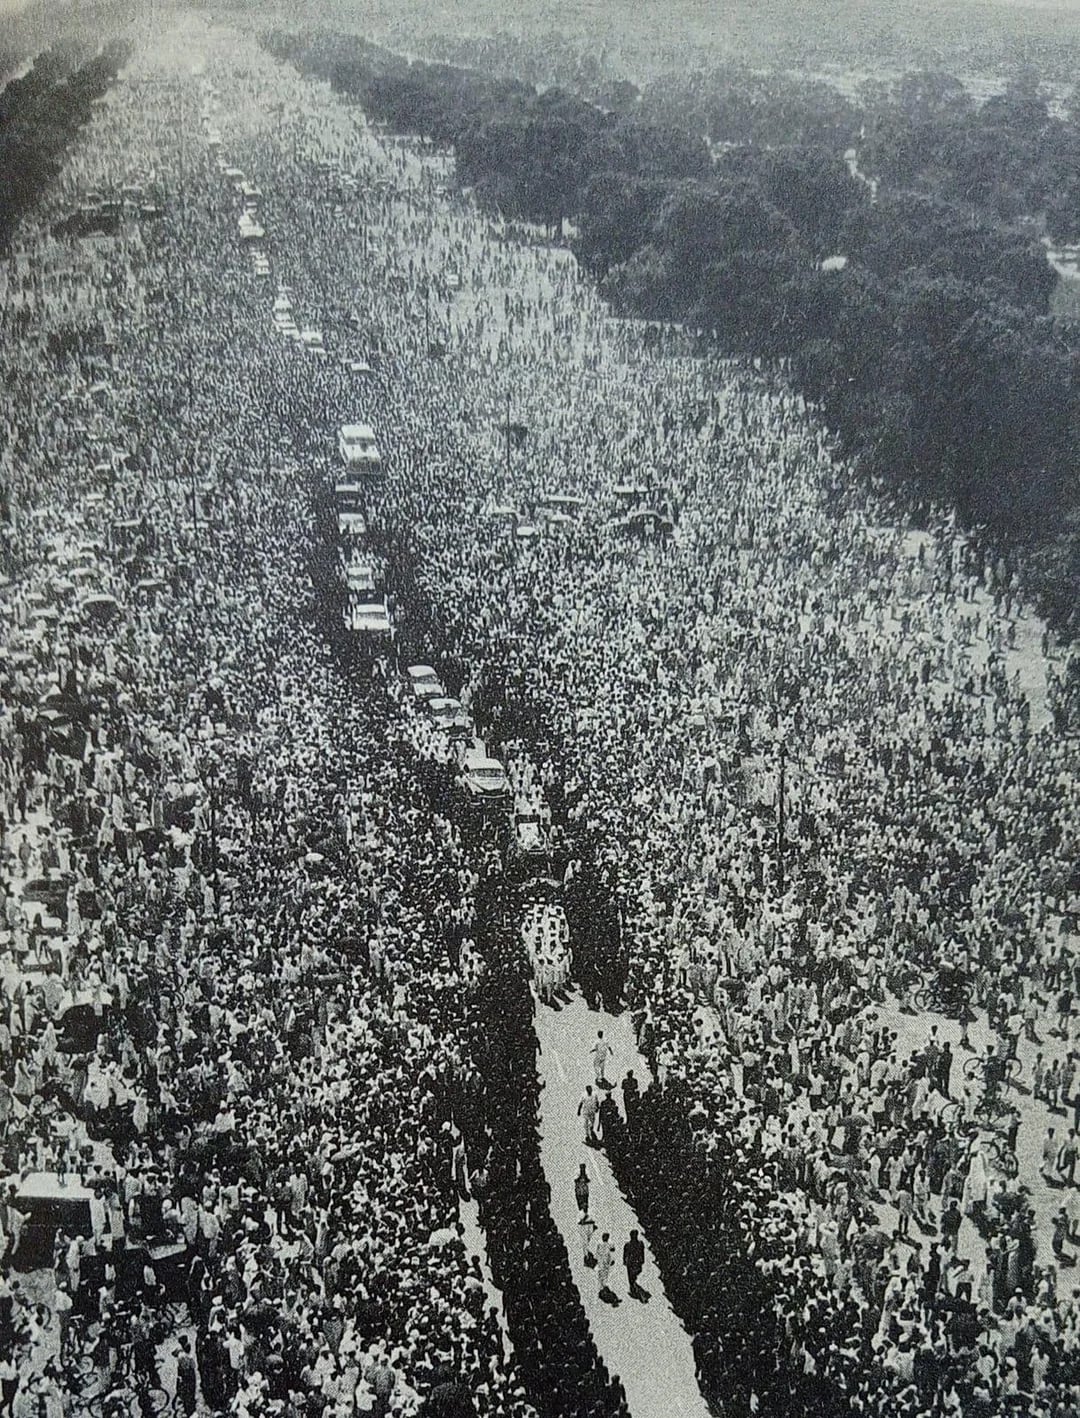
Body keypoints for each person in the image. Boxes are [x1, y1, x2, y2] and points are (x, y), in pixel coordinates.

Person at [623, 1230, 645, 1301]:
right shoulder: (640, 1244)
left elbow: (625, 1254)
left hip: (631, 1262)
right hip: (635, 1262)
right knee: (633, 1274)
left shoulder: (628, 1244)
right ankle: (633, 1285)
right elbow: (642, 1253)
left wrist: (624, 1260)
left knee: (631, 1275)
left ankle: (633, 1285)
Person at [596, 1233, 616, 1303]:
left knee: (606, 1273)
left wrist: (613, 1259)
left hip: (607, 1260)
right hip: (601, 1260)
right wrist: (596, 1259)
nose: (605, 1238)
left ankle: (604, 1284)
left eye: (606, 1237)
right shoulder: (599, 1243)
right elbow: (597, 1251)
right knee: (601, 1273)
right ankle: (601, 1287)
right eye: (604, 1237)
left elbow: (612, 1251)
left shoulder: (610, 1243)